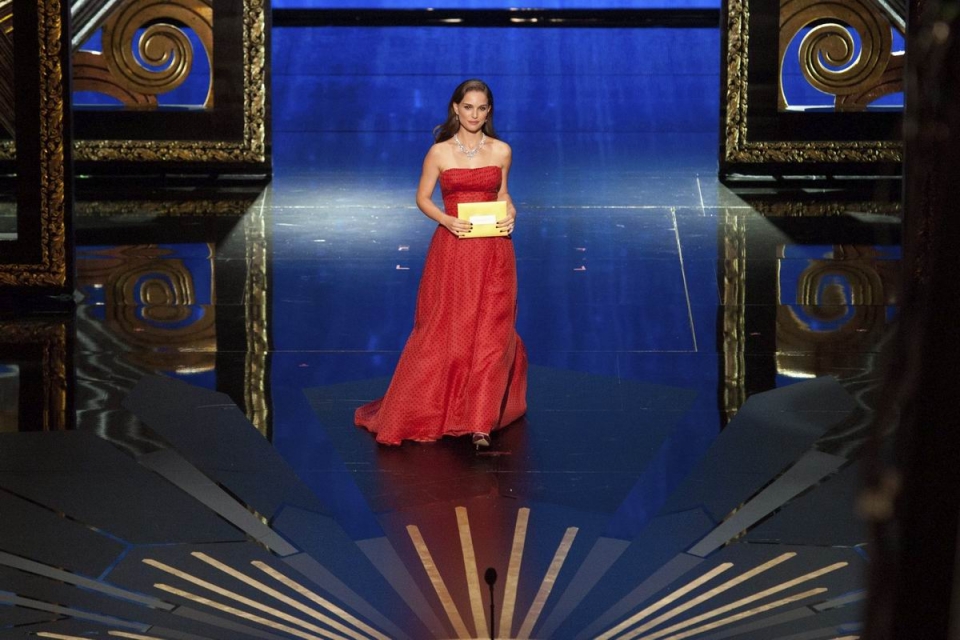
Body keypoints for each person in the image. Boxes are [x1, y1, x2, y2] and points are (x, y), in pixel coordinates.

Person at [355, 79, 528, 448]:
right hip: (453, 250)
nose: (474, 115)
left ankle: (480, 423)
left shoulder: (501, 151)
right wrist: (446, 220)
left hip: (495, 250)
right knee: (446, 328)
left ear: (489, 111)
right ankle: (439, 409)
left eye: (482, 109)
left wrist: (511, 213)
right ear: (455, 108)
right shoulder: (439, 153)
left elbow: (503, 194)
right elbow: (422, 197)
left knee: (492, 335)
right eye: (468, 107)